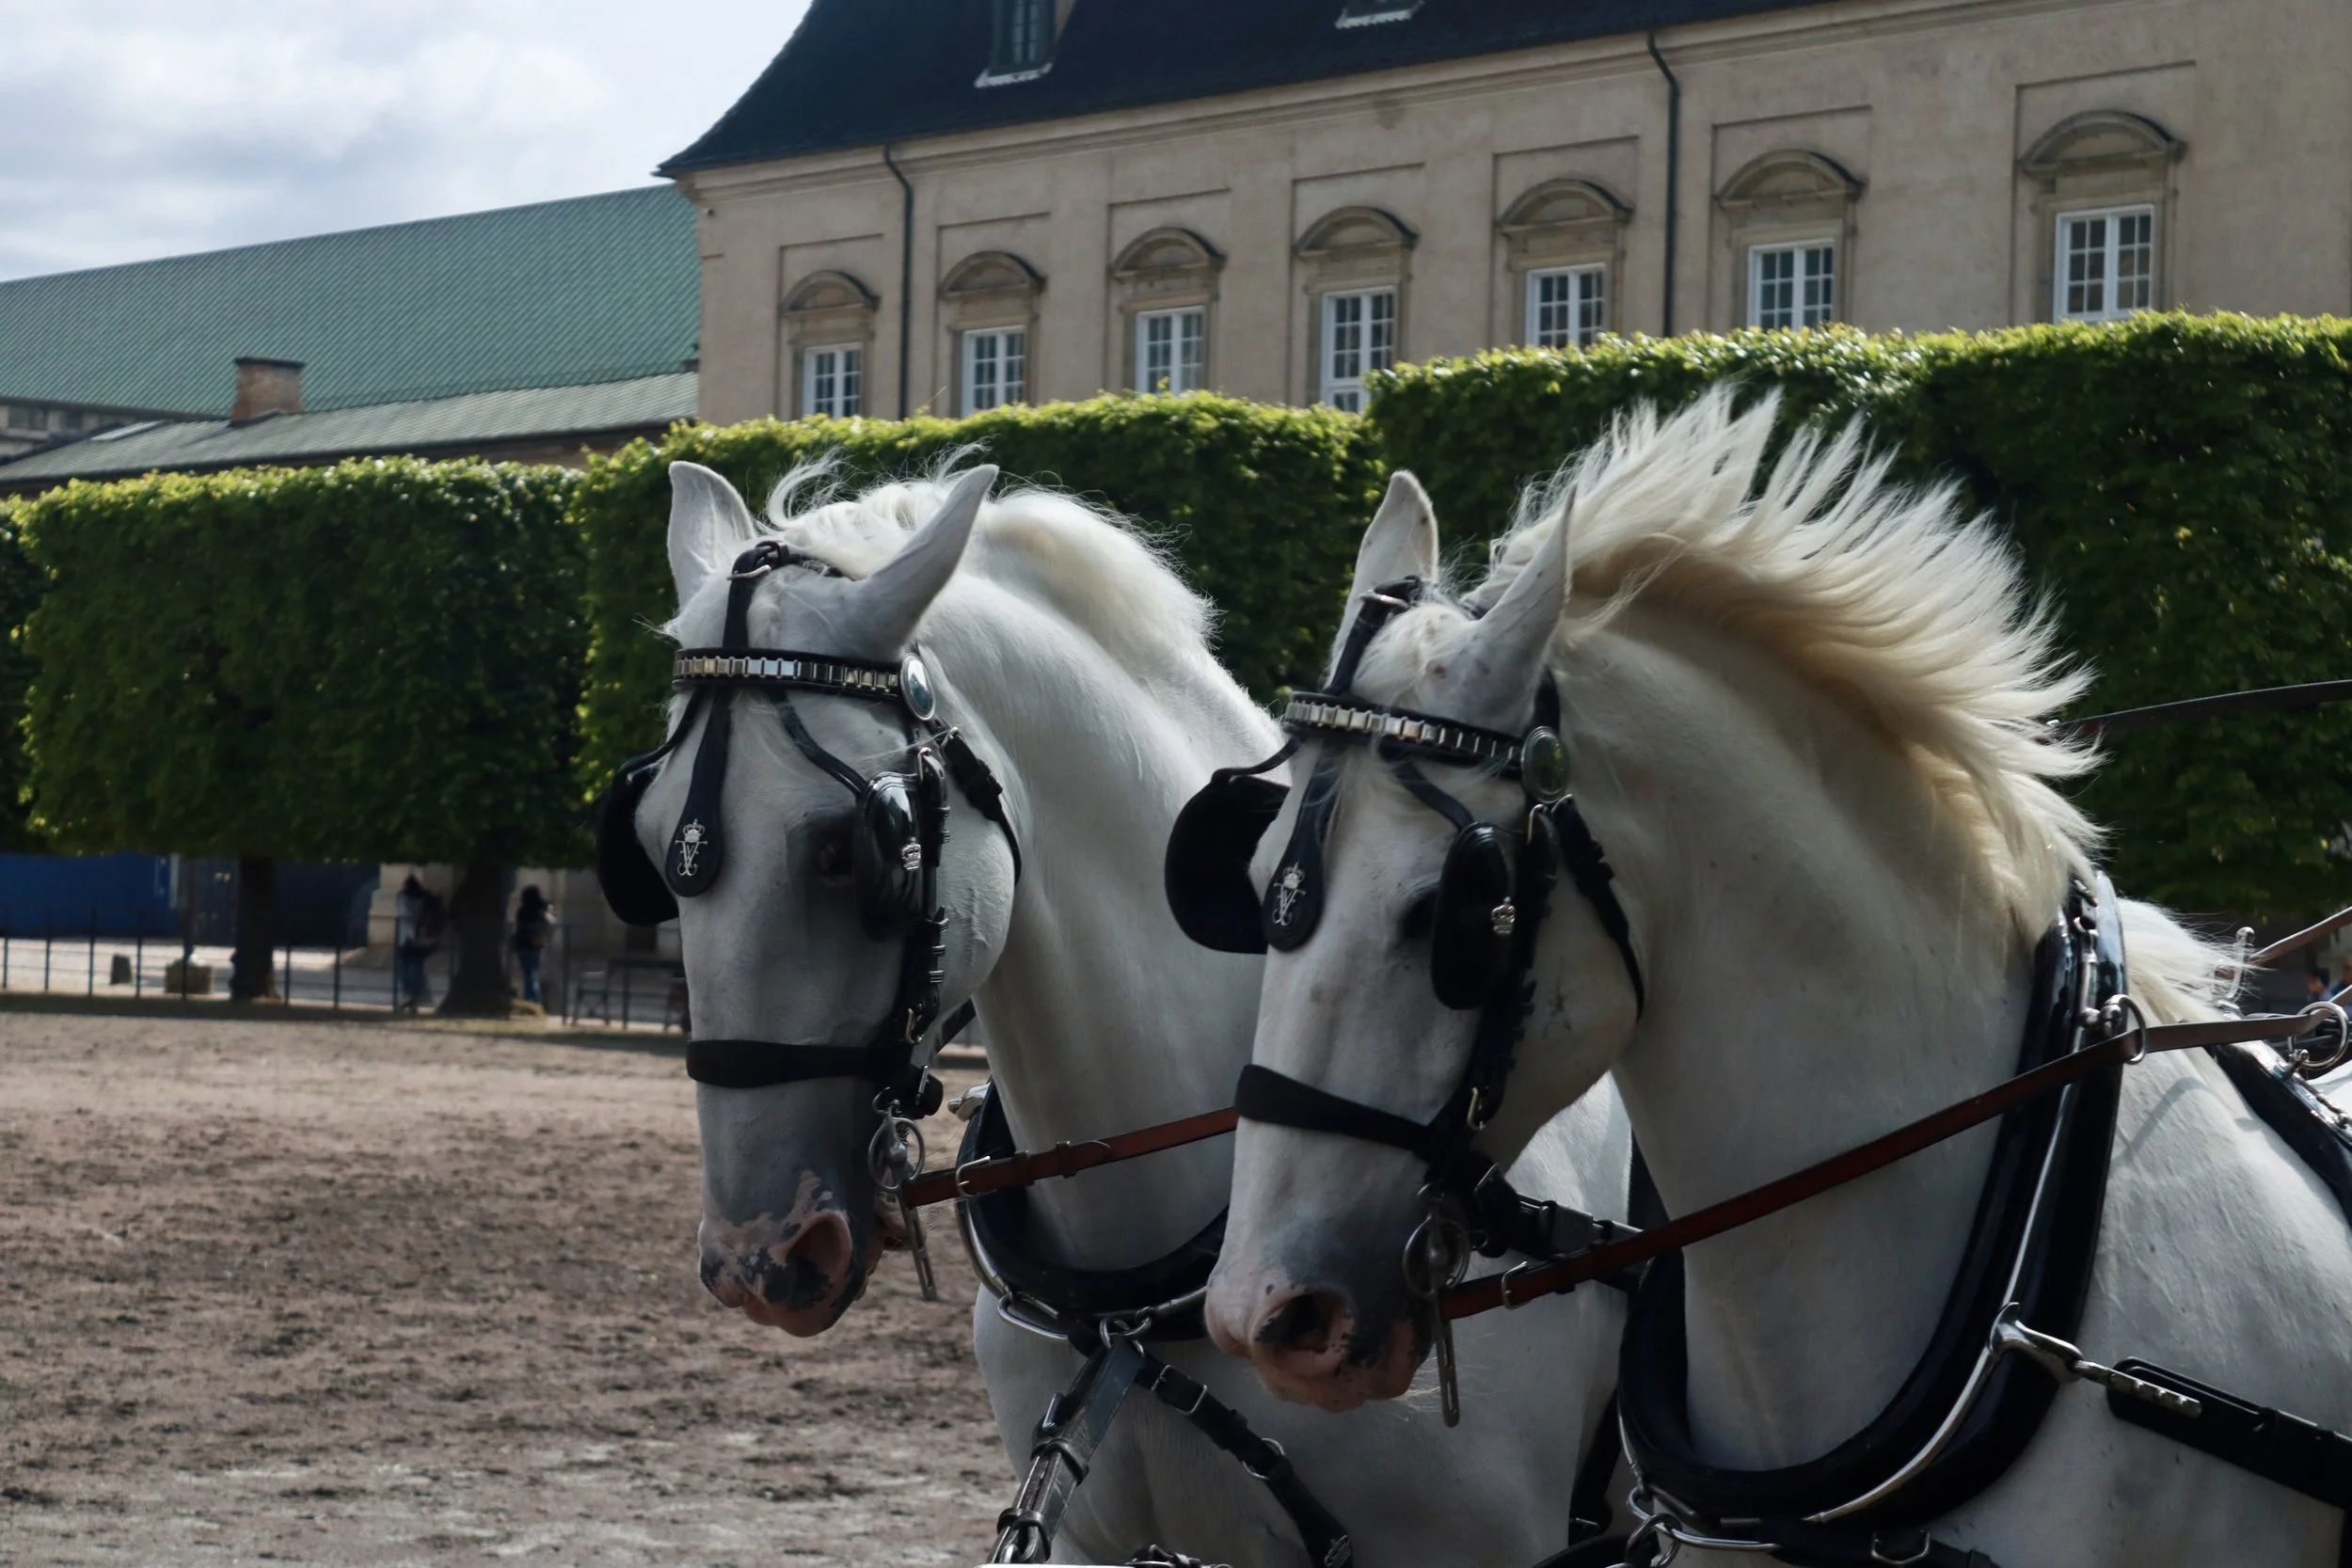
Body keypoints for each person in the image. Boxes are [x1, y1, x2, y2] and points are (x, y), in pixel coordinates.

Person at [394, 874, 441, 1012]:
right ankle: (415, 998)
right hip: (422, 939)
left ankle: (408, 994)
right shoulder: (426, 898)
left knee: (404, 968)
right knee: (418, 968)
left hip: (406, 938)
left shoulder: (402, 897)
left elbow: (403, 915)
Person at [514, 885, 551, 1006]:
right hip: (537, 945)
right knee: (532, 973)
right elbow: (550, 922)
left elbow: (520, 927)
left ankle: (532, 1000)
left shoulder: (523, 911)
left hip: (524, 946)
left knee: (529, 974)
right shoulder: (542, 910)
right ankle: (533, 999)